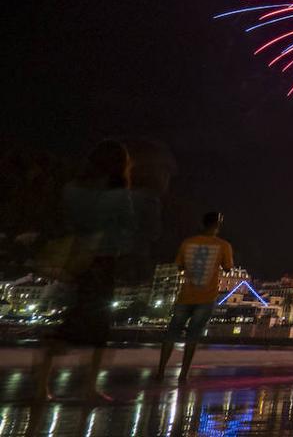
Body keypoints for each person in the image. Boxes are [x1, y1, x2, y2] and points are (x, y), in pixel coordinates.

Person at [34, 141, 137, 401]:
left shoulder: (71, 190)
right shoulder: (120, 195)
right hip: (102, 261)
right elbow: (128, 226)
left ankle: (40, 386)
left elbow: (65, 219)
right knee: (99, 328)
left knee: (71, 319)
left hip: (75, 259)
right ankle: (90, 387)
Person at [155, 211, 233, 382]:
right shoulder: (223, 245)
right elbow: (228, 268)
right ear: (217, 225)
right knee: (193, 336)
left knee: (171, 334)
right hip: (206, 297)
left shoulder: (187, 243)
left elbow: (180, 266)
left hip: (185, 296)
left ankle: (160, 371)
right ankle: (183, 374)